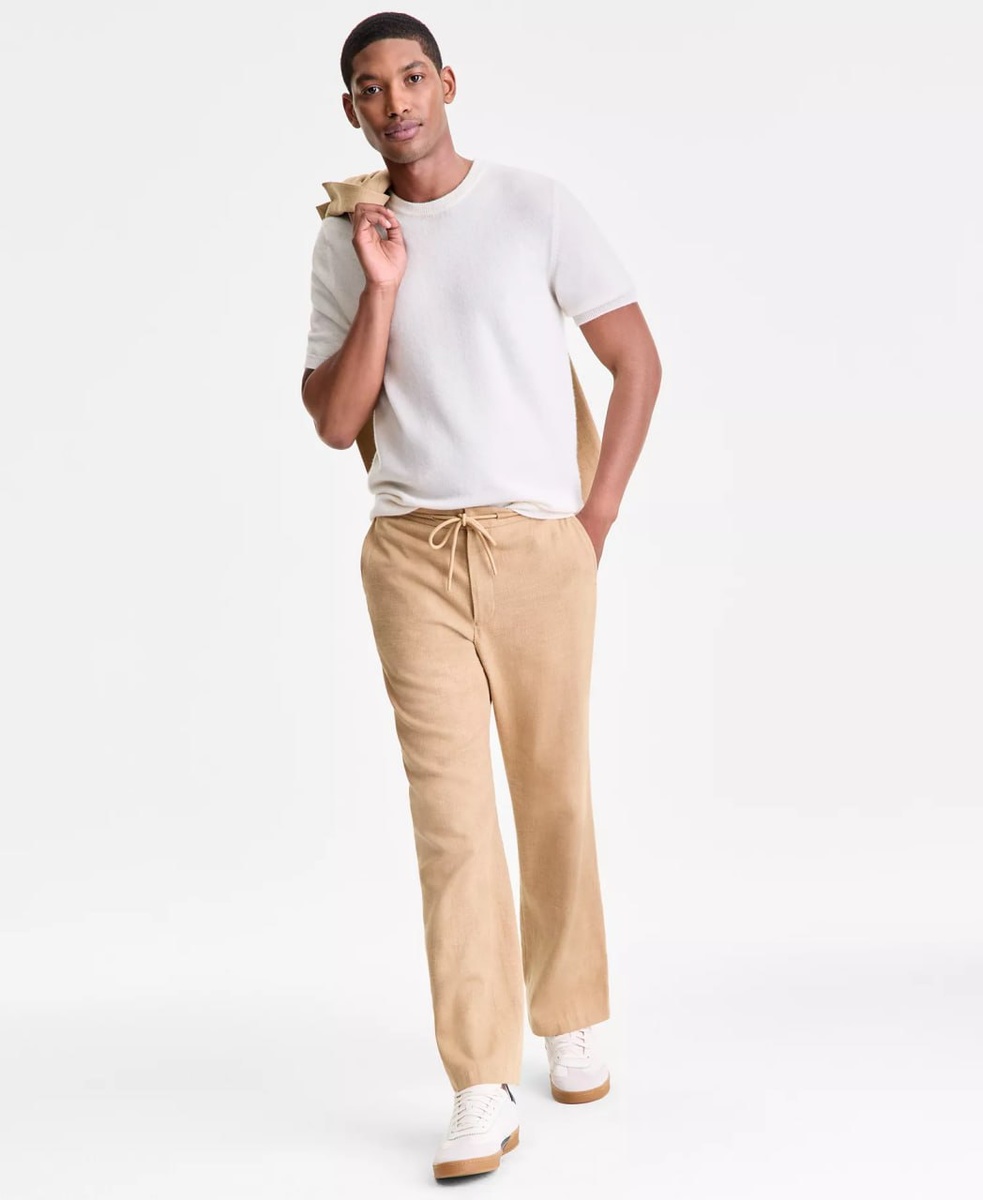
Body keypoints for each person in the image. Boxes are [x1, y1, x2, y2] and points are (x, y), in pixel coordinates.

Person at [300, 10, 662, 1182]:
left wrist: (595, 517)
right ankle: (477, 1080)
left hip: (534, 545)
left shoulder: (532, 206)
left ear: (447, 84)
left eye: (411, 77)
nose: (395, 101)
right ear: (350, 109)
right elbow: (336, 422)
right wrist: (380, 286)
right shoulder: (345, 242)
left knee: (552, 788)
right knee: (450, 823)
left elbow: (635, 359)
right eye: (370, 87)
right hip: (410, 555)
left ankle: (571, 1010)